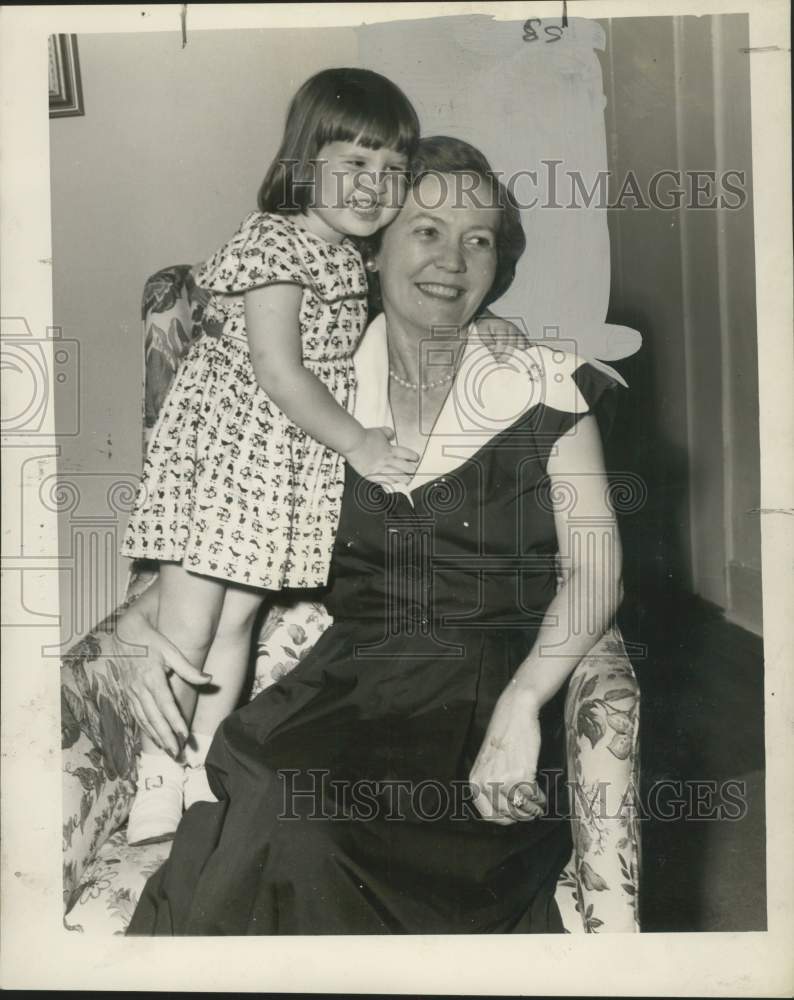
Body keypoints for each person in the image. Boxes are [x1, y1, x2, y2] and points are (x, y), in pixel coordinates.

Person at [119, 135, 624, 934]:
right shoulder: (311, 393)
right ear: (372, 251)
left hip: (483, 703)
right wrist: (143, 627)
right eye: (426, 231)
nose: (453, 261)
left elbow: (597, 575)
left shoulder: (544, 388)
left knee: (304, 835)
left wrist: (525, 707)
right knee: (279, 811)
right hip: (343, 696)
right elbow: (221, 527)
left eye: (478, 239)